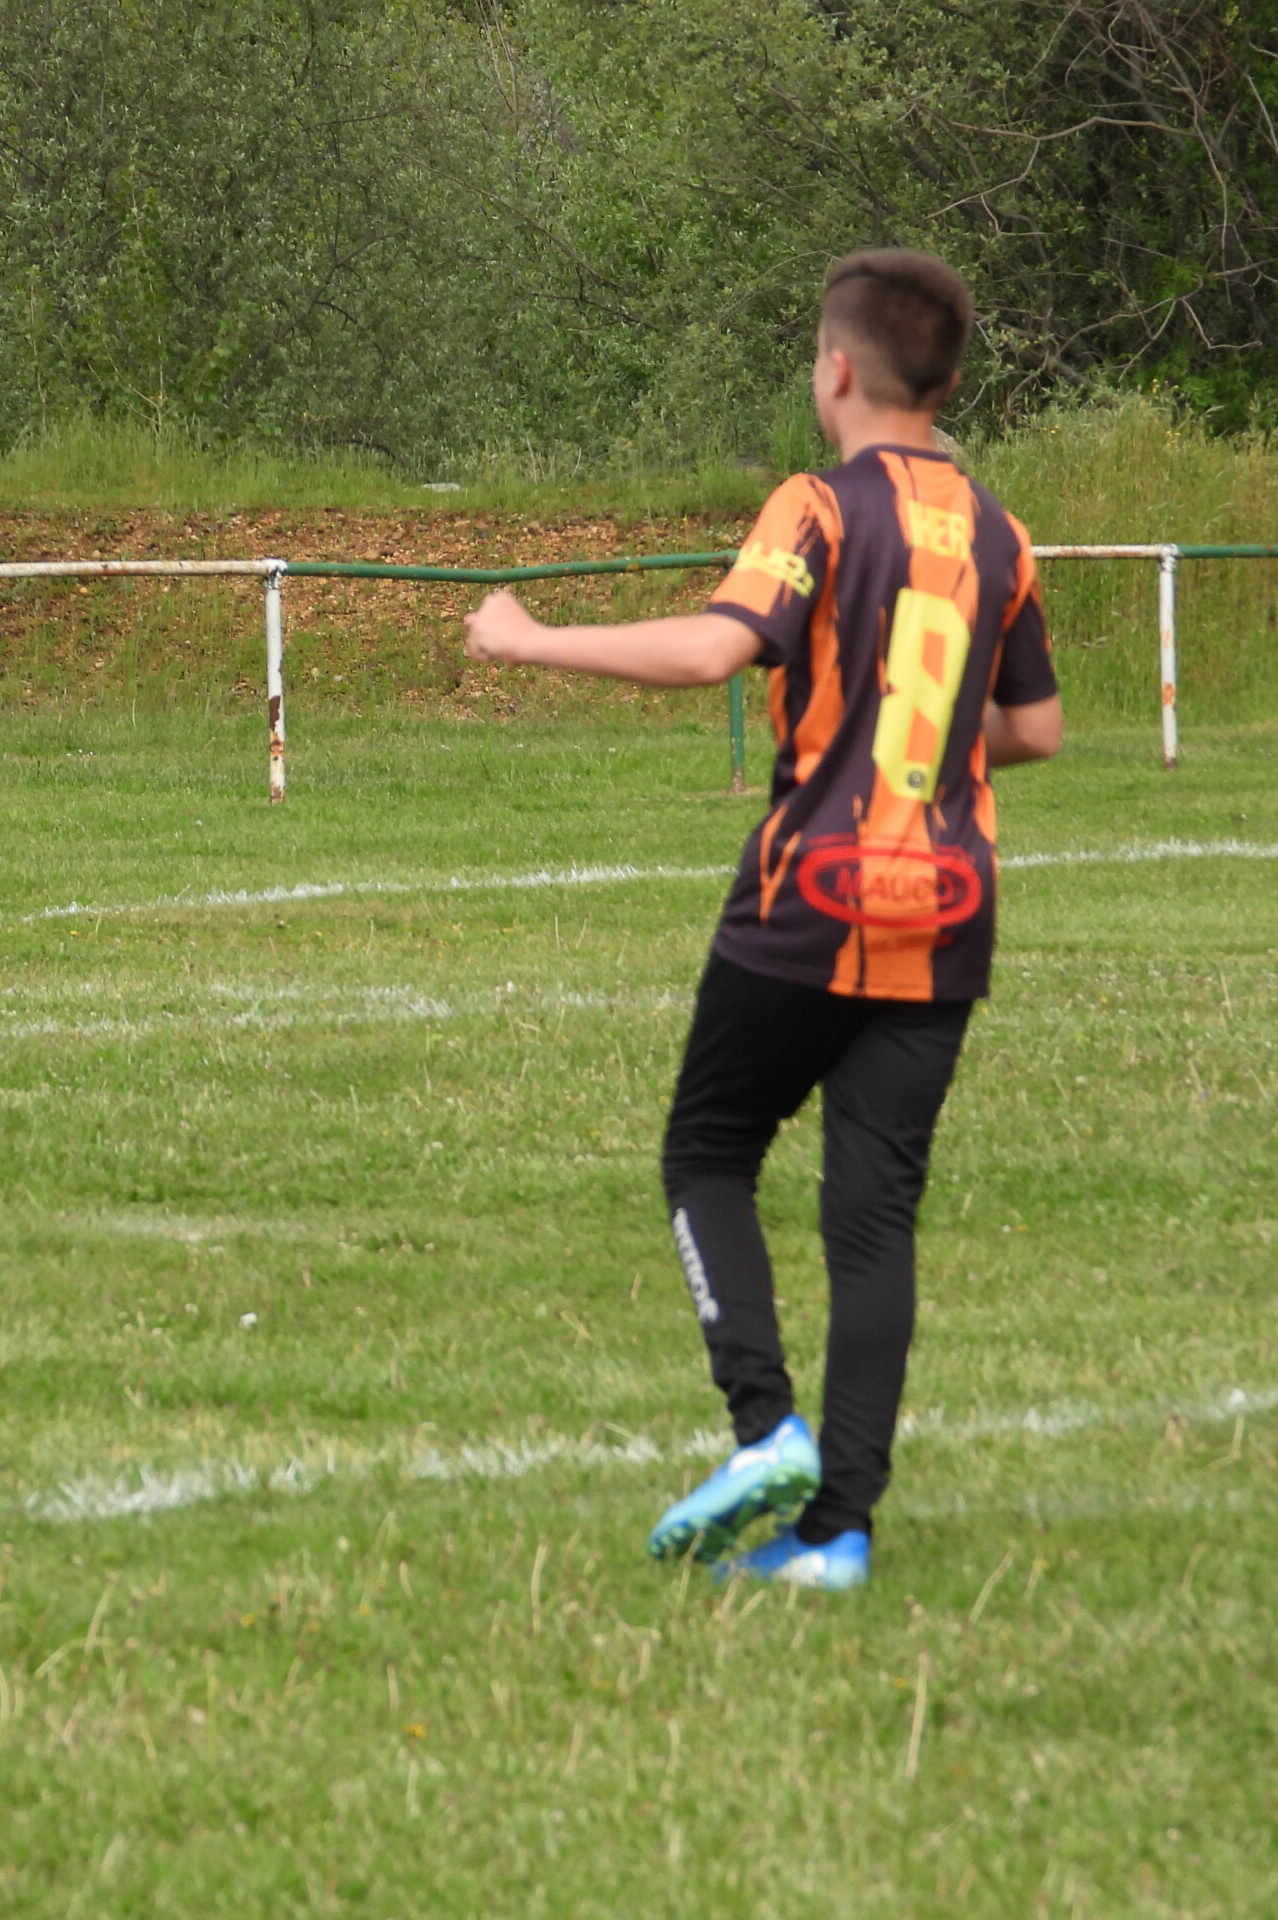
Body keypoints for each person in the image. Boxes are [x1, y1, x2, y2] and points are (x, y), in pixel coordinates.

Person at [461, 250, 1062, 1590]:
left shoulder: (819, 505)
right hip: (949, 907)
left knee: (709, 1153)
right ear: (946, 382)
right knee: (874, 1220)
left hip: (814, 894)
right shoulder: (1000, 533)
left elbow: (714, 648)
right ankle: (838, 1535)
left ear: (836, 370)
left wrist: (528, 637)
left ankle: (764, 1427)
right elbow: (1035, 728)